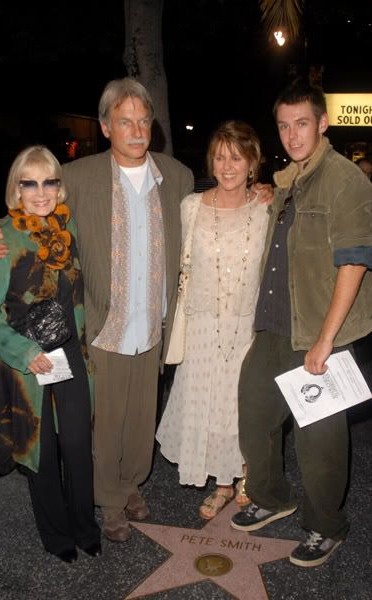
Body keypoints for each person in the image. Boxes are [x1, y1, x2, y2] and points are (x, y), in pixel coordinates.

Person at [0, 78, 194, 543]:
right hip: (101, 322)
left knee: (140, 418)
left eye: (143, 120)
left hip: (152, 321)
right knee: (106, 419)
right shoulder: (79, 175)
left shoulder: (176, 177)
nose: (136, 130)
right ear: (105, 126)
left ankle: (131, 481)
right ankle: (109, 501)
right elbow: (27, 208)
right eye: (124, 121)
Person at [230, 81, 372, 568]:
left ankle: (326, 526)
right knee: (253, 416)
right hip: (273, 325)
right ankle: (272, 497)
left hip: (320, 333)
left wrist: (326, 341)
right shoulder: (286, 180)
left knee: (321, 444)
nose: (292, 134)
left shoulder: (346, 179)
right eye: (284, 126)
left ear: (322, 123)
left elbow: (353, 264)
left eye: (302, 124)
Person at [0, 146, 101, 563]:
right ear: (17, 188)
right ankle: (56, 533)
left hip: (69, 352)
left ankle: (85, 525)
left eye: (48, 182)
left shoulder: (68, 228)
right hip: (29, 361)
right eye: (30, 183)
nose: (40, 192)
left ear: (59, 188)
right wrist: (23, 353)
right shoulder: (2, 238)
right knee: (41, 450)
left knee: (78, 445)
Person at [156, 121, 269, 519]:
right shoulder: (191, 208)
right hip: (202, 325)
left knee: (243, 404)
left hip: (248, 324)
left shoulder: (268, 208)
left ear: (253, 163)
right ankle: (223, 485)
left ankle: (247, 475)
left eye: (236, 157)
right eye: (220, 156)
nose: (227, 165)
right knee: (210, 403)